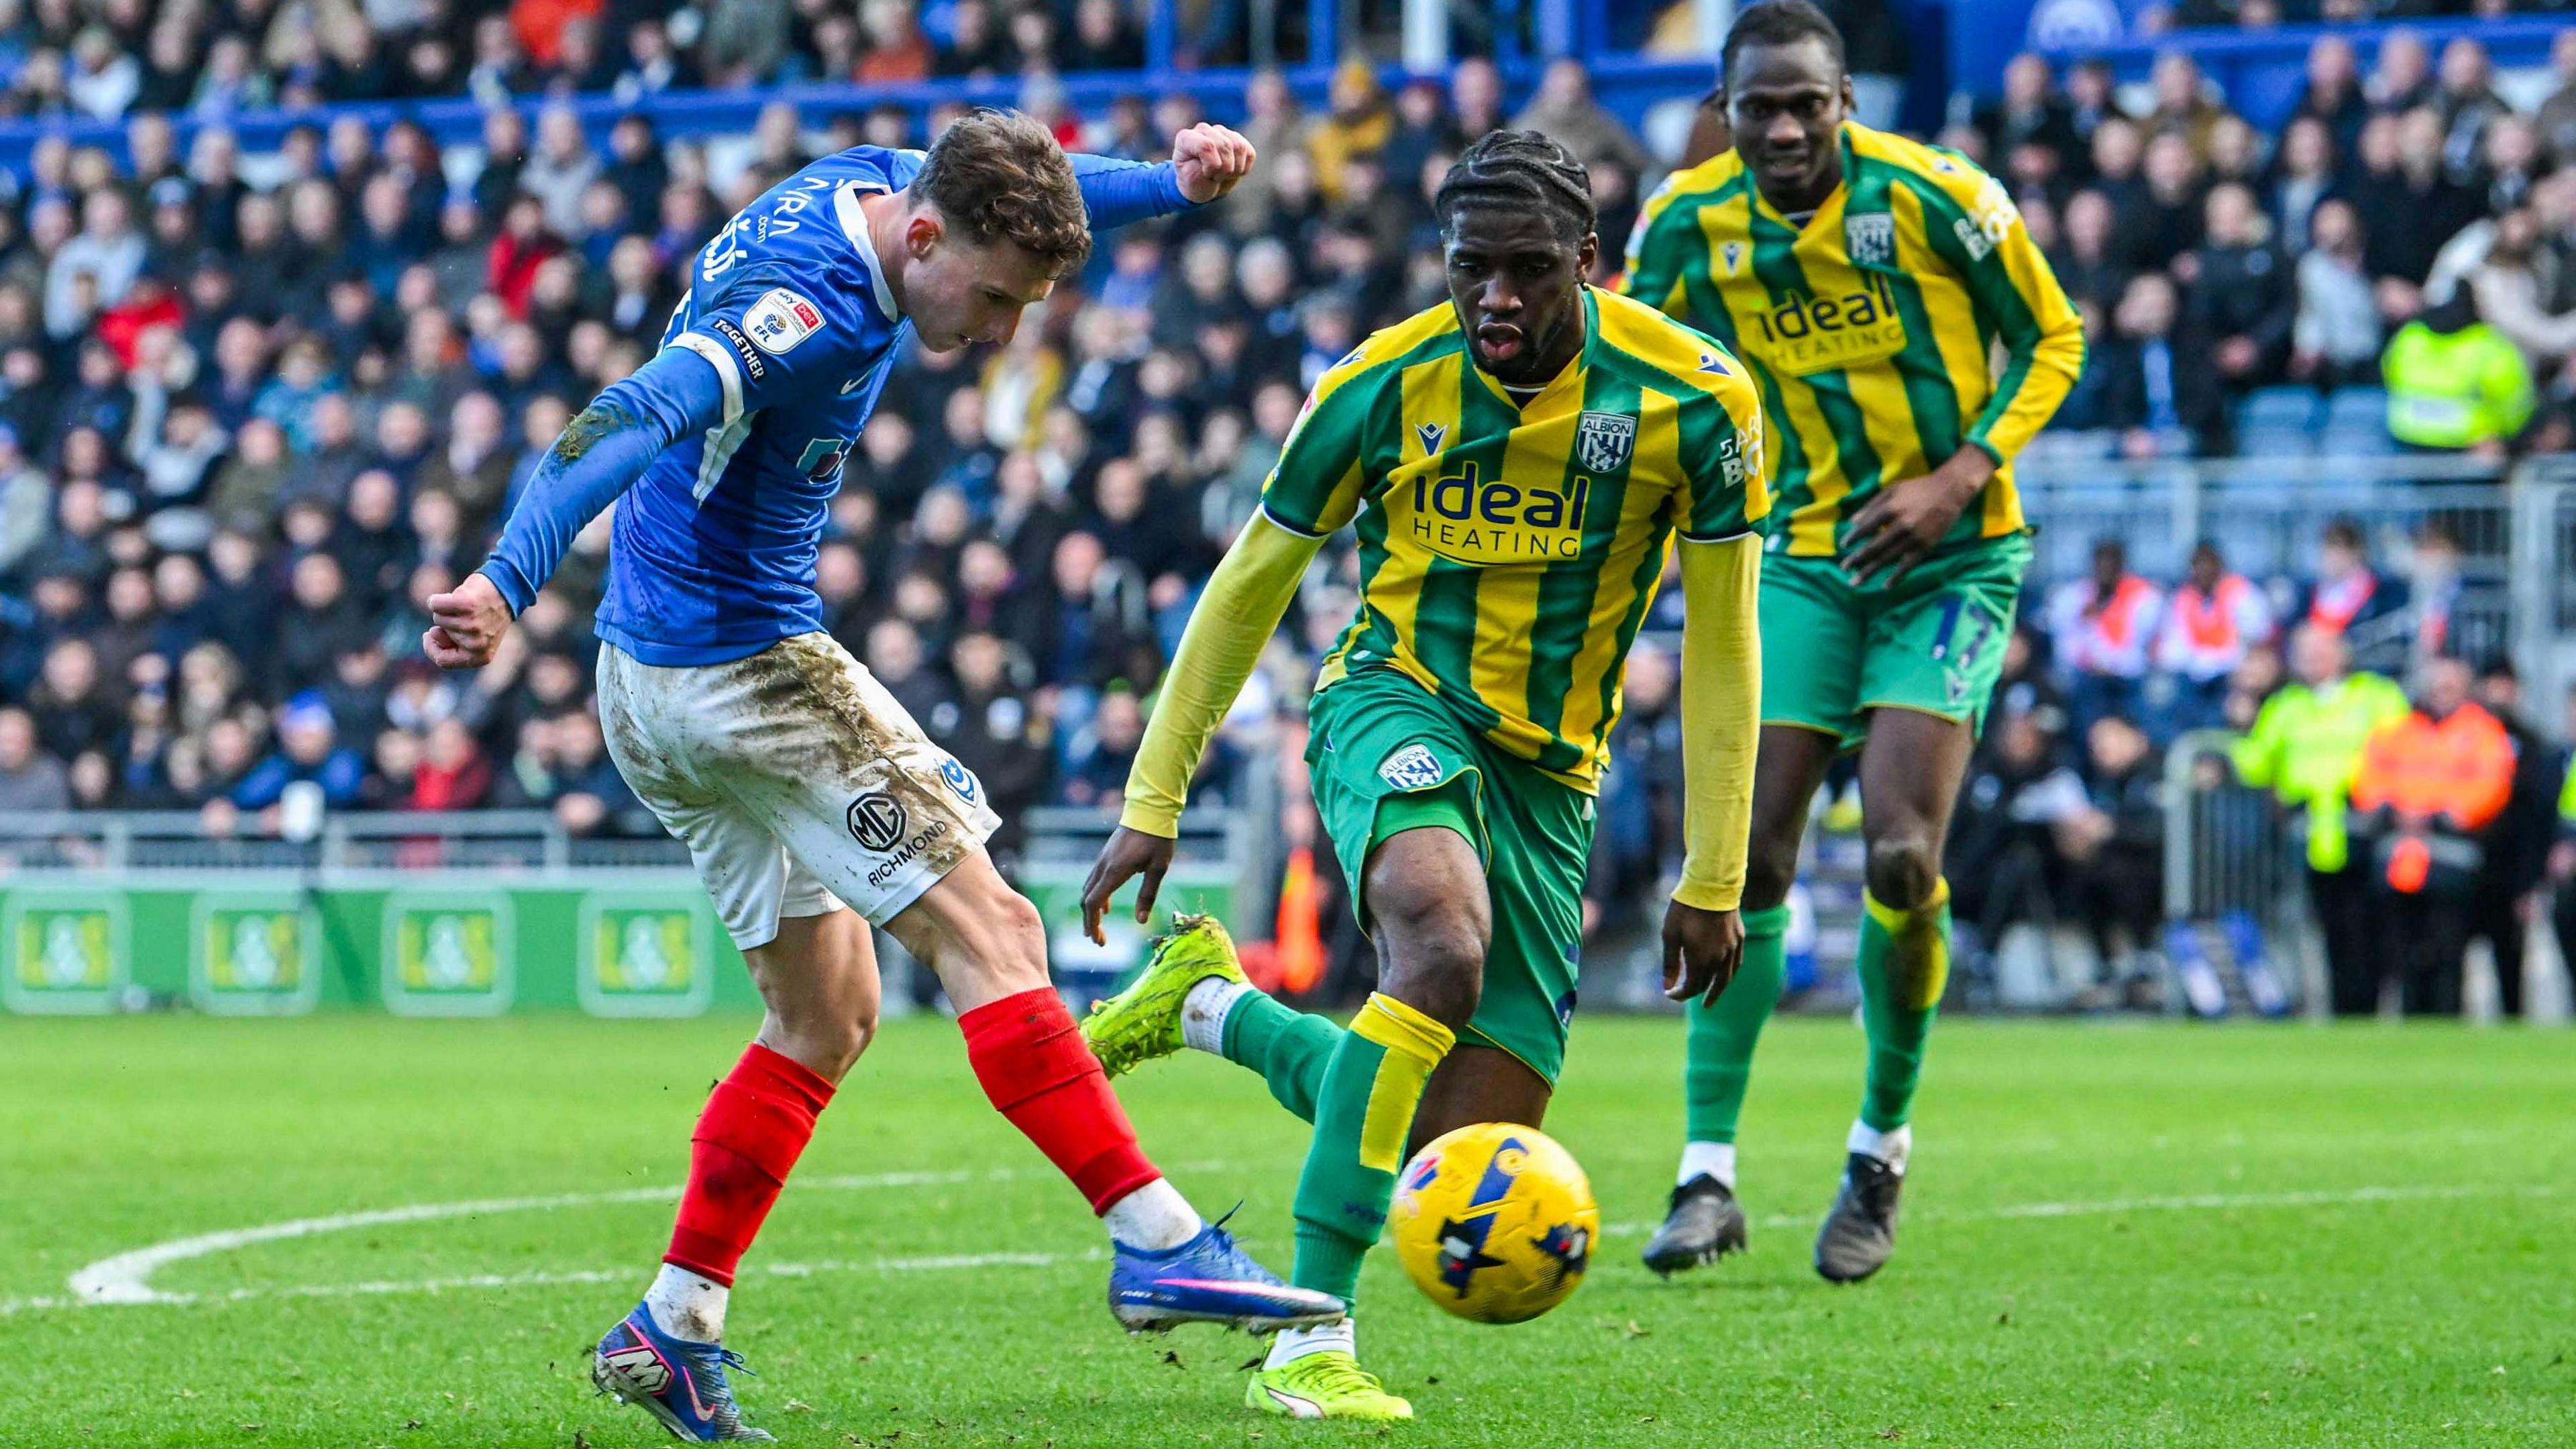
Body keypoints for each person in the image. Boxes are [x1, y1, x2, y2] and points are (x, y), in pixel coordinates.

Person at [423, 111, 1336, 1445]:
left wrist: (1167, 185)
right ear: (920, 241)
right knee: (999, 932)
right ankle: (1157, 1240)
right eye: (995, 298)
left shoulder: (878, 180)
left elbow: (1036, 183)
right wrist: (509, 576)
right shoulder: (809, 313)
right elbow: (634, 410)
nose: (1005, 330)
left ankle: (673, 1326)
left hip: (648, 685)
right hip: (747, 671)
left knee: (828, 1016)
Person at [1075, 131, 1768, 1421]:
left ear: (1589, 264)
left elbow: (1727, 641)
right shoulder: (1380, 384)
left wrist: (1715, 868)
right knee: (1437, 948)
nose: (1494, 298)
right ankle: (1308, 1342)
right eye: (1469, 271)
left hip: (1552, 778)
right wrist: (1151, 800)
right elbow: (1246, 594)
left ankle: (1210, 1006)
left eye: (1524, 271)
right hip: (1393, 700)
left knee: (1451, 1160)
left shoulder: (1700, 404)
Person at [1619, 0, 2083, 1284]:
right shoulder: (1684, 227)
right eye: (1757, 106)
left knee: (1896, 855)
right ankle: (1705, 1176)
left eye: (1806, 104)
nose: (1782, 127)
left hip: (1952, 555)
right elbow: (1635, 376)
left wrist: (1960, 472)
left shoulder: (1945, 200)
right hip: (1803, 565)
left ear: (1846, 104)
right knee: (1748, 858)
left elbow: (2057, 336)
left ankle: (1879, 1149)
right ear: (1724, 111)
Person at [2232, 625, 2409, 1017]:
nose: (2310, 659)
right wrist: (2243, 725)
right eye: (2303, 652)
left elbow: (2405, 750)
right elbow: (2256, 765)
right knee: (2332, 927)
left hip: (2369, 826)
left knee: (2373, 923)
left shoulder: (2375, 695)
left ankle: (2377, 1003)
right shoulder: (2288, 705)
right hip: (2313, 829)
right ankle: (2345, 1009)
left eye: (2318, 650)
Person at [2348, 655, 2516, 1016]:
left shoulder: (2482, 731)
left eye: (2451, 686)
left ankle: (2447, 1018)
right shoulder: (2401, 730)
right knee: (2401, 950)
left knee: (2448, 950)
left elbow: (2490, 786)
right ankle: (2408, 1018)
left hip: (2452, 859)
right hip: (2399, 858)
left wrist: (2440, 813)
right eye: (2437, 685)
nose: (2442, 693)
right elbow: (2370, 777)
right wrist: (2396, 809)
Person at [2155, 540, 2275, 735]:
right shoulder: (2182, 599)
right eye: (2198, 565)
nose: (2204, 571)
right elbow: (2171, 651)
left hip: (2231, 675)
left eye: (2208, 564)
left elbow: (2258, 636)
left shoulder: (2242, 593)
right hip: (2192, 678)